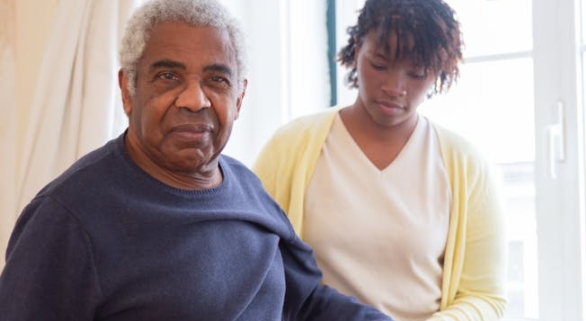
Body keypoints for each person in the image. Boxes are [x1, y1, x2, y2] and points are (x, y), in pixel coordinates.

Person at [0, 0, 392, 320]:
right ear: (128, 90)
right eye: (168, 76)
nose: (195, 99)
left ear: (238, 99)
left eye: (217, 80)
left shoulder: (247, 188)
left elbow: (305, 304)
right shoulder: (68, 218)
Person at [252, 0, 507, 320]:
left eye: (416, 73)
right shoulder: (289, 147)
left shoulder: (466, 166)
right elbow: (254, 266)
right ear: (357, 48)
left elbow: (485, 297)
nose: (394, 88)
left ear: (439, 71)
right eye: (380, 64)